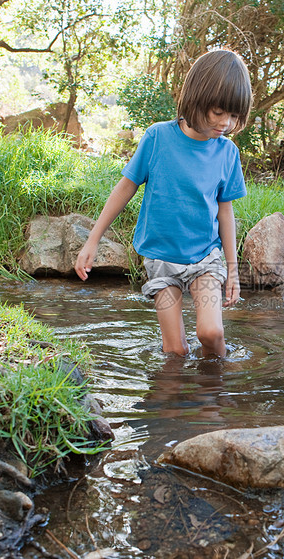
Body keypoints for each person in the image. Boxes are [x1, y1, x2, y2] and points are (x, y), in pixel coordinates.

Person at [74, 49, 252, 358]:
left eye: (234, 116)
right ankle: (176, 403)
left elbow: (226, 211)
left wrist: (232, 270)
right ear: (198, 97)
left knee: (211, 333)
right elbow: (123, 189)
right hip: (161, 260)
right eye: (220, 111)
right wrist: (92, 240)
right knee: (175, 351)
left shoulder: (226, 153)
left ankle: (216, 394)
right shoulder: (157, 138)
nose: (226, 123)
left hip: (205, 259)